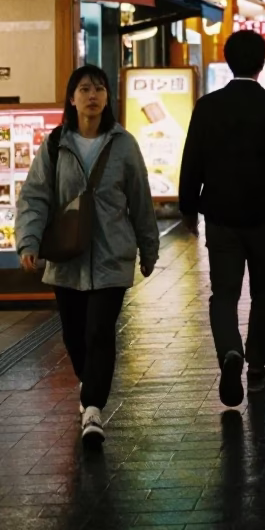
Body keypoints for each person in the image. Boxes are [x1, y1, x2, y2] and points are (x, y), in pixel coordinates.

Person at [15, 66, 159, 444]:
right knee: (74, 337)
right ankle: (89, 385)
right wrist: (29, 241)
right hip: (67, 261)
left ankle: (93, 408)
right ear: (72, 98)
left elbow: (140, 200)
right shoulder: (56, 144)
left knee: (99, 331)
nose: (92, 95)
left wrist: (149, 247)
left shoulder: (124, 144)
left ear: (108, 97)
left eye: (99, 89)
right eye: (84, 89)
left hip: (112, 257)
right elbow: (35, 196)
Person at [179, 31, 265, 408]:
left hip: (221, 216)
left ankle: (230, 351)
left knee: (225, 293)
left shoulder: (207, 107)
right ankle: (256, 366)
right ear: (263, 60)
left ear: (227, 58)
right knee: (263, 291)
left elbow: (192, 161)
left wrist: (189, 207)